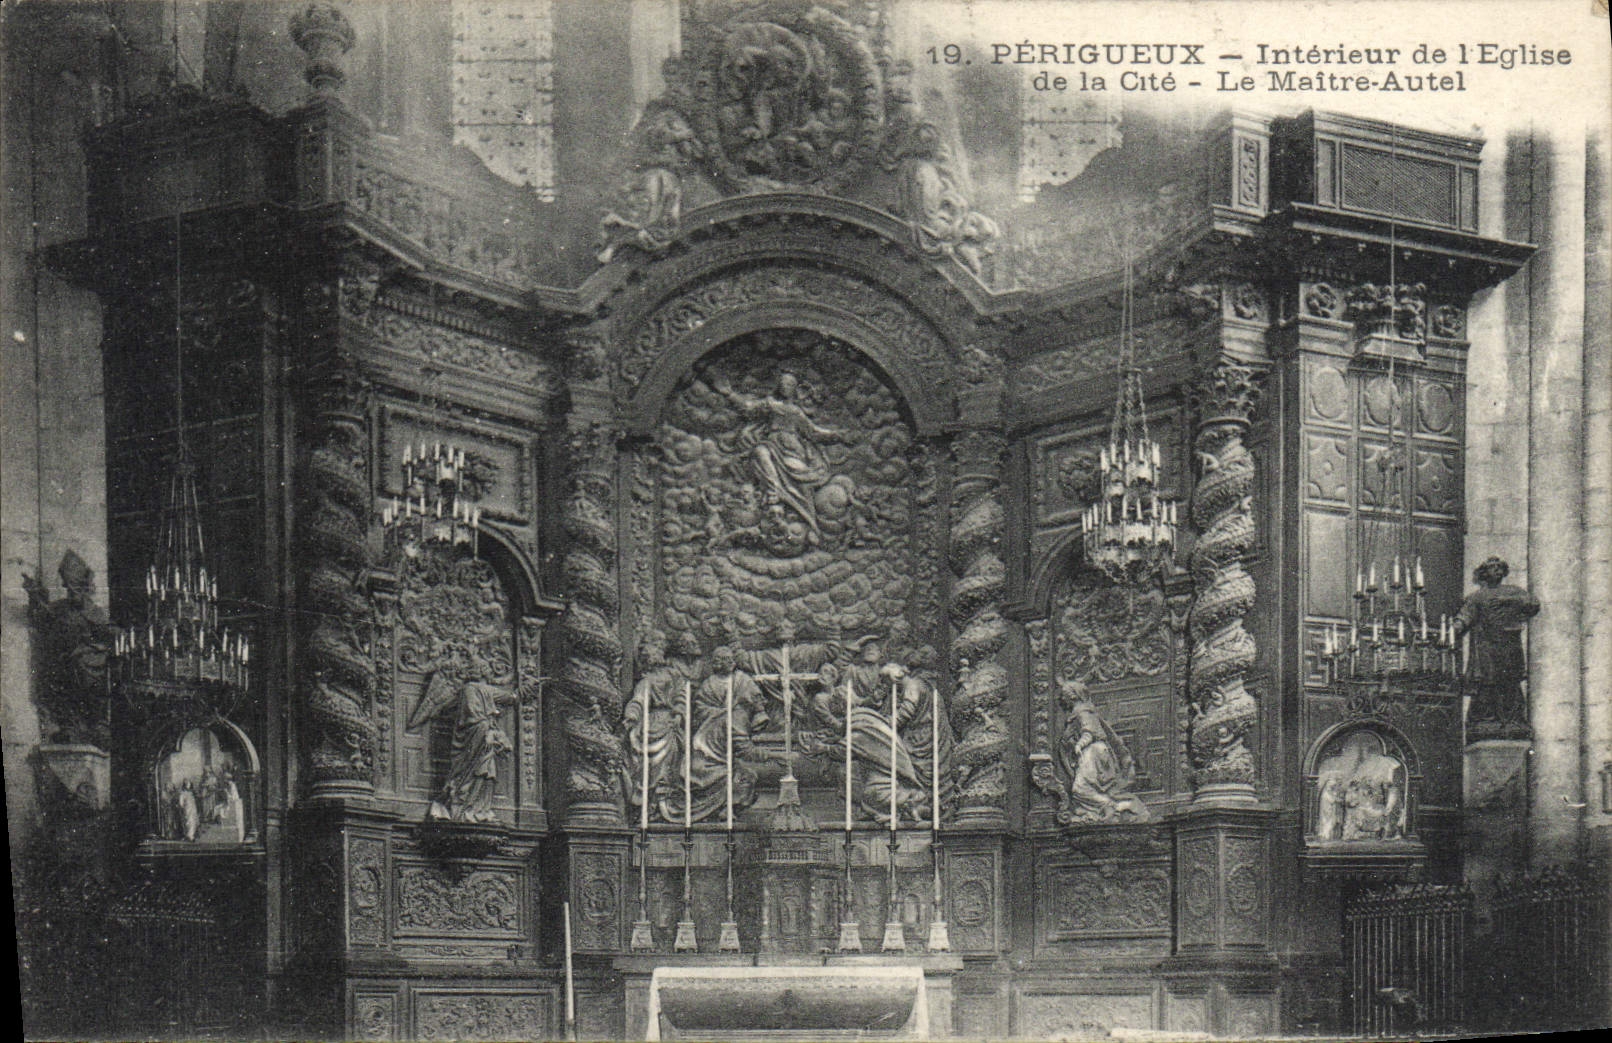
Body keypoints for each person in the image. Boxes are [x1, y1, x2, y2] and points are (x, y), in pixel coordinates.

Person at [711, 370, 846, 543]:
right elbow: (748, 408)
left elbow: (814, 432)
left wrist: (837, 435)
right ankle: (773, 491)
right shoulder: (770, 404)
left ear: (796, 389)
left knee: (801, 481)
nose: (785, 386)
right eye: (782, 383)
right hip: (772, 444)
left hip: (793, 450)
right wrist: (729, 394)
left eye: (789, 384)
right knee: (760, 451)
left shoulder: (797, 412)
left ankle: (810, 523)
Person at [22, 550, 113, 747]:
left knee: (85, 667)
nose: (74, 594)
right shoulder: (60, 608)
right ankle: (68, 725)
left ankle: (96, 724)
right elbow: (41, 618)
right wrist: (34, 596)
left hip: (89, 660)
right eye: (70, 590)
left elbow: (107, 635)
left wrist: (91, 647)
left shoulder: (94, 612)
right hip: (62, 663)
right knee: (59, 676)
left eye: (77, 590)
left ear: (85, 589)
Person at [408, 667, 518, 823]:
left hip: (481, 737)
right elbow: (506, 699)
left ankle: (477, 810)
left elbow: (507, 698)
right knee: (477, 771)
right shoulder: (472, 689)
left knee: (486, 772)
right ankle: (466, 810)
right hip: (478, 736)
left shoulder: (474, 690)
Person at [674, 646, 766, 824]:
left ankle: (727, 807)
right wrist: (723, 714)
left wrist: (752, 714)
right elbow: (700, 709)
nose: (728, 662)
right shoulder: (709, 684)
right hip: (712, 739)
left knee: (744, 774)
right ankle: (716, 808)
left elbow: (757, 701)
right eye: (721, 659)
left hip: (736, 732)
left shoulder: (742, 680)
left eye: (729, 659)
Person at [1455, 556, 1541, 739]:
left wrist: (1510, 601)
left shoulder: (1514, 591)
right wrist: (1451, 631)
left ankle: (1513, 719)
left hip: (1509, 647)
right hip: (1486, 648)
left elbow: (1533, 604)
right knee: (1487, 683)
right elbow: (1464, 618)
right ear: (1484, 574)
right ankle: (1486, 720)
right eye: (1492, 568)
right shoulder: (1477, 597)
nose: (1496, 571)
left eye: (1499, 567)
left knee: (1510, 682)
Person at [1054, 682, 1150, 823]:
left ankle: (1111, 806)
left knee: (1080, 789)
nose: (1062, 699)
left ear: (1072, 696)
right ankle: (1108, 807)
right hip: (1093, 753)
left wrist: (1079, 745)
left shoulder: (1083, 711)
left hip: (1092, 753)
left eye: (1064, 695)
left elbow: (1089, 732)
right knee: (1084, 789)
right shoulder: (1081, 712)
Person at [623, 631, 685, 825]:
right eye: (645, 651)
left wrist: (678, 713)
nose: (649, 654)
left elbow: (682, 695)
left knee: (669, 757)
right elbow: (638, 701)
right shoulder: (645, 680)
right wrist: (631, 717)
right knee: (647, 763)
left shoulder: (673, 675)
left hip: (668, 724)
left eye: (652, 649)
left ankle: (661, 801)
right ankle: (647, 805)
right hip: (649, 724)